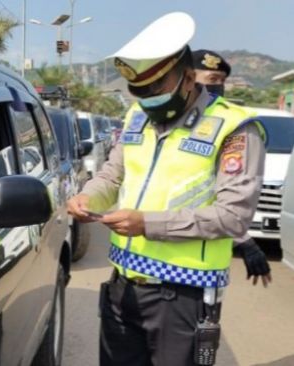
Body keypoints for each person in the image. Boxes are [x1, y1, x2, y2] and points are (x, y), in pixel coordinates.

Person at [67, 12, 266, 366]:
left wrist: (147, 224)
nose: (147, 101)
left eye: (156, 90)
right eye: (139, 93)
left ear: (188, 78)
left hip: (183, 295)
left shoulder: (235, 128)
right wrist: (88, 197)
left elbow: (233, 217)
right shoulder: (137, 117)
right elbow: (113, 175)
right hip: (122, 286)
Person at [193, 49, 272, 287]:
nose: (217, 87)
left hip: (202, 262)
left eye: (221, 82)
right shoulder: (171, 123)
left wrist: (243, 240)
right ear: (187, 78)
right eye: (211, 80)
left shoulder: (231, 125)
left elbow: (226, 196)